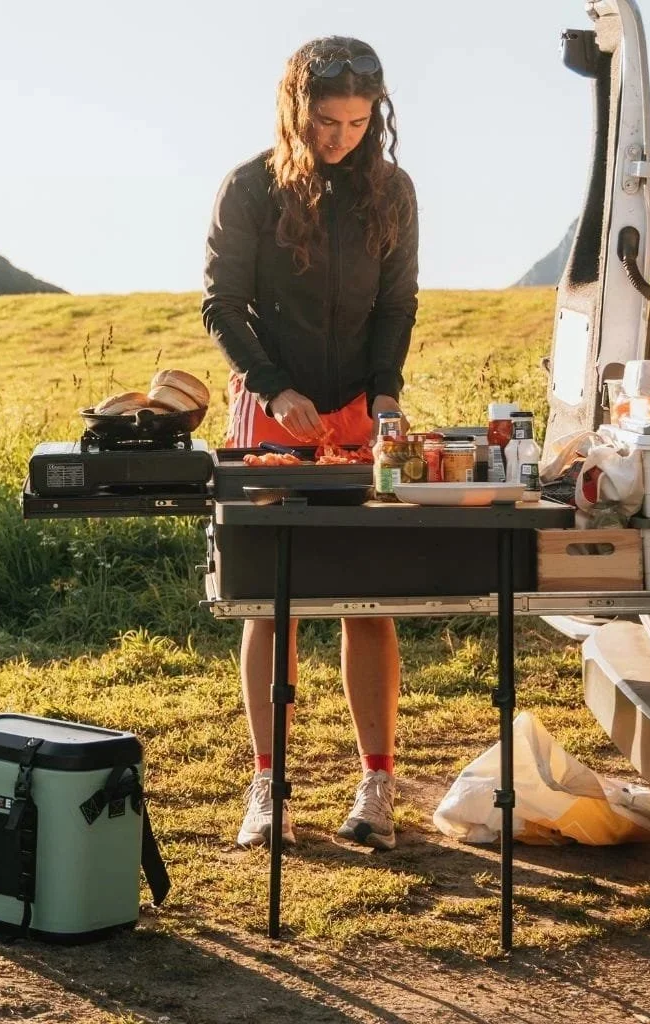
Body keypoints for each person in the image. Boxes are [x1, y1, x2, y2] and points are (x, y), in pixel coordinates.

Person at [202, 36, 419, 851]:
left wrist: (386, 392)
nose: (341, 138)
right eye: (328, 122)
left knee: (368, 599)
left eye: (359, 123)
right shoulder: (250, 187)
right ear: (299, 111)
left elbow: (397, 303)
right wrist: (273, 387)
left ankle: (377, 785)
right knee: (272, 600)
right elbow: (222, 304)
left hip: (360, 414)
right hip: (273, 415)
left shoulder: (392, 192)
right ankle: (269, 786)